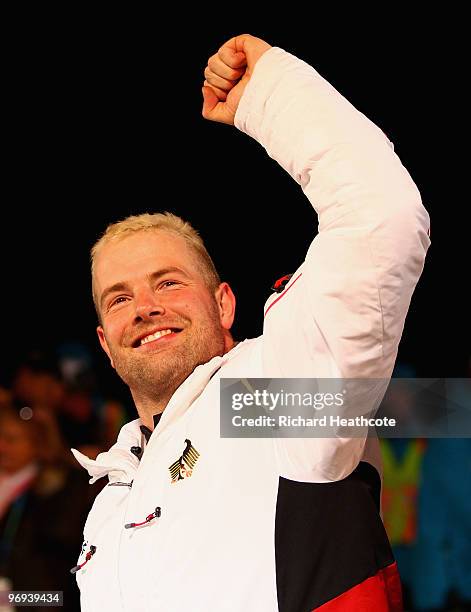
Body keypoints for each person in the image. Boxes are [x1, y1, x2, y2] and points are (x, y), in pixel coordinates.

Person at [72, 34, 430, 611]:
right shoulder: (109, 502)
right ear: (105, 346)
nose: (144, 307)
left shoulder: (271, 398)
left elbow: (380, 217)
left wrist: (272, 97)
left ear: (224, 305)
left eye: (168, 282)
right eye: (118, 299)